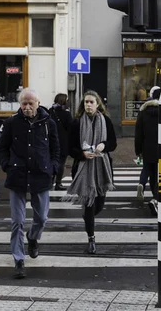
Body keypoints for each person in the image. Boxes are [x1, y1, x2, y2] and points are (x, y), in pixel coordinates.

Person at [0, 88, 60, 278]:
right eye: (24, 103)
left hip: (41, 175)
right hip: (17, 176)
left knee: (41, 218)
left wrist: (53, 168)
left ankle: (33, 238)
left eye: (30, 104)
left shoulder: (48, 123)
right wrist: (7, 165)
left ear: (38, 103)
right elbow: (3, 147)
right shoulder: (11, 123)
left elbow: (55, 148)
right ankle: (19, 259)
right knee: (17, 222)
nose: (27, 107)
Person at [65, 91, 117, 254]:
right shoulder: (77, 123)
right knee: (89, 204)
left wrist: (104, 145)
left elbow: (113, 143)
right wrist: (82, 154)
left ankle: (88, 218)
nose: (88, 105)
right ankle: (91, 238)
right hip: (83, 168)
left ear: (97, 104)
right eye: (86, 102)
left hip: (102, 167)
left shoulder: (106, 121)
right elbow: (70, 147)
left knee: (99, 204)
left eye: (91, 102)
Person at [135, 88, 160, 215]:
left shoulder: (143, 111)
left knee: (146, 168)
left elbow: (138, 132)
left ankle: (141, 184)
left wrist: (138, 150)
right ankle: (156, 197)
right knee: (157, 174)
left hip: (147, 147)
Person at [49, 93, 73, 191]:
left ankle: (50, 182)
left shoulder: (50, 111)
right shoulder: (66, 113)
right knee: (61, 162)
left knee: (51, 161)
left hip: (51, 140)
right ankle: (58, 183)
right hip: (63, 140)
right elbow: (70, 127)